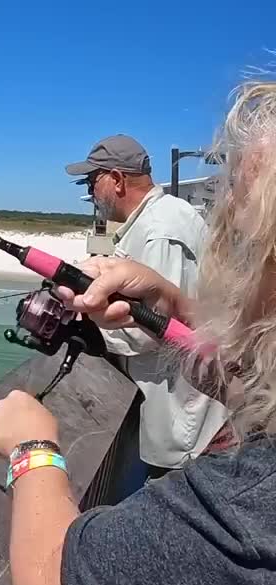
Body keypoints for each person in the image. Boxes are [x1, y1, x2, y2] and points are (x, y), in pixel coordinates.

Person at [0, 81, 276, 585]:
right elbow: (236, 356)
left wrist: (34, 448)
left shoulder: (252, 506)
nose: (224, 242)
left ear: (115, 179)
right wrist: (166, 305)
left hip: (184, 431)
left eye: (244, 236)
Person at [66, 134, 228, 479]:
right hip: (174, 414)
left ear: (117, 180)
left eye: (92, 181)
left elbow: (154, 329)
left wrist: (88, 328)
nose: (90, 191)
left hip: (181, 424)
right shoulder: (160, 219)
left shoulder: (160, 230)